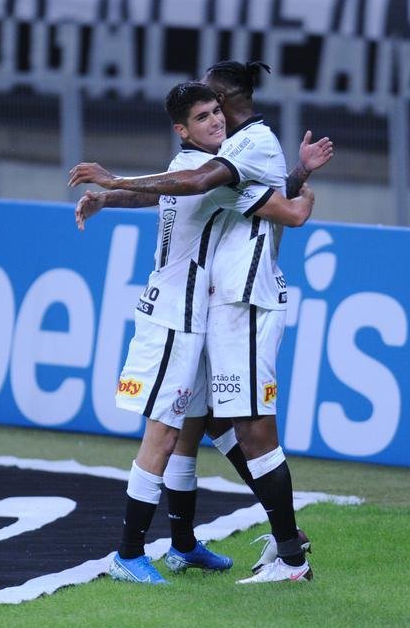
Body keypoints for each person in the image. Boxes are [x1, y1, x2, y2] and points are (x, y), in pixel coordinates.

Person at [69, 61, 331, 583]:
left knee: (197, 426)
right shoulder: (203, 168)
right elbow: (263, 205)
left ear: (227, 103)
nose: (214, 120)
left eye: (215, 109)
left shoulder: (210, 165)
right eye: (202, 115)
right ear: (183, 129)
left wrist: (110, 191)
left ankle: (186, 544)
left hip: (201, 312)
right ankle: (129, 553)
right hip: (176, 313)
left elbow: (192, 189)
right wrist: (110, 191)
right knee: (167, 434)